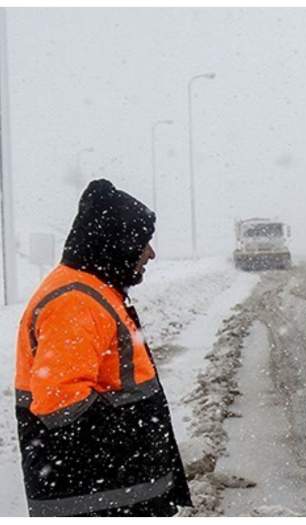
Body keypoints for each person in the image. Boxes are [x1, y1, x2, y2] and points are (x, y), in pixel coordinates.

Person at [14, 179, 192, 516]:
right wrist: (134, 443)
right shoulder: (75, 301)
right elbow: (59, 403)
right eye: (143, 242)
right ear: (118, 242)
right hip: (98, 500)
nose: (150, 253)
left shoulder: (94, 288)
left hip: (111, 495)